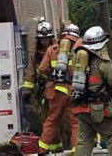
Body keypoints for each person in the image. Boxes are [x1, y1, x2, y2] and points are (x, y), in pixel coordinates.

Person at [73, 26, 112, 156]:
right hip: (100, 111)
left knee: (84, 142)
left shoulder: (79, 61)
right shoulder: (103, 63)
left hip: (82, 109)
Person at [37, 24, 80, 154]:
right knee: (75, 121)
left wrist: (50, 78)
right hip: (73, 90)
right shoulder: (79, 50)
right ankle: (76, 150)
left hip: (56, 90)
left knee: (52, 119)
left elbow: (42, 70)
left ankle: (42, 149)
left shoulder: (52, 50)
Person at [22, 20, 55, 100]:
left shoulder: (57, 51)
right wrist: (27, 92)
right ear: (38, 39)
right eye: (42, 38)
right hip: (42, 87)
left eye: (47, 38)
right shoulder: (35, 54)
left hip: (57, 87)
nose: (45, 40)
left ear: (51, 37)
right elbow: (31, 73)